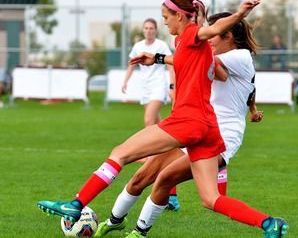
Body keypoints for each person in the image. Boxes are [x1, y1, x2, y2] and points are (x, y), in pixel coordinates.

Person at [37, 0, 285, 237]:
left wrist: (238, 14)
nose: (163, 22)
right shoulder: (192, 45)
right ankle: (268, 223)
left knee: (120, 153)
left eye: (166, 16)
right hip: (209, 127)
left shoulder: (207, 41)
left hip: (189, 122)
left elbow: (210, 37)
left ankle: (76, 205)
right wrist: (157, 58)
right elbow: (194, 60)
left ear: (180, 15)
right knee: (209, 199)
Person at [94, 13, 272, 238]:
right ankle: (114, 221)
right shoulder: (231, 59)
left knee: (173, 181)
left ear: (227, 35)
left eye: (213, 34)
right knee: (143, 175)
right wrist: (253, 109)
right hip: (196, 129)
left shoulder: (240, 55)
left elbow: (194, 55)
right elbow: (248, 86)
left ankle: (138, 233)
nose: (208, 40)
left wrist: (185, 37)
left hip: (222, 136)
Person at [122, 18, 173, 128]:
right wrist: (125, 82)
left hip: (158, 85)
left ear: (155, 30)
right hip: (145, 86)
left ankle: (148, 145)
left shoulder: (161, 45)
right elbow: (131, 64)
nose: (148, 31)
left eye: (151, 28)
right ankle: (172, 145)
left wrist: (172, 86)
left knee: (148, 121)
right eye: (146, 28)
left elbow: (171, 66)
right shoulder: (138, 46)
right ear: (143, 30)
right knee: (156, 122)